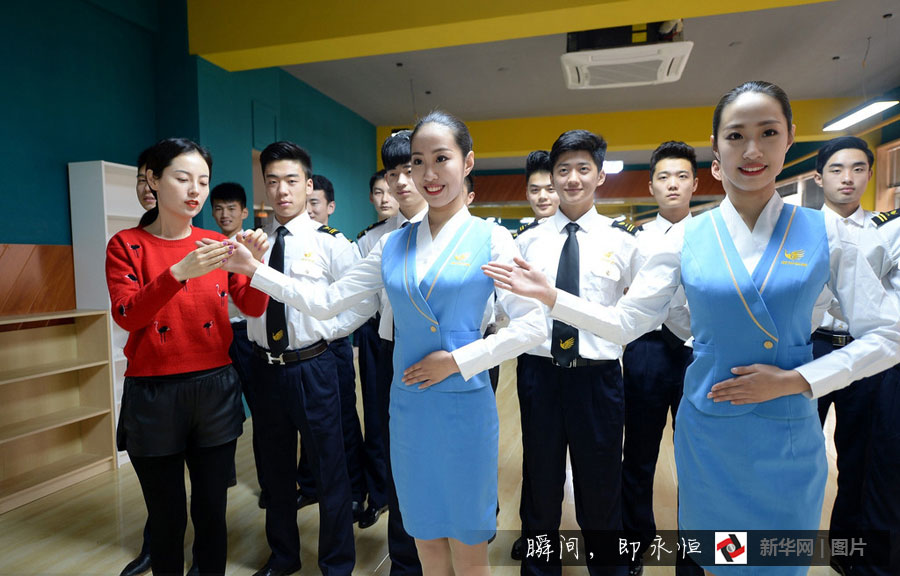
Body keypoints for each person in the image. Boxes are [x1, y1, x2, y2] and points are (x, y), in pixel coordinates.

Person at [484, 81, 900, 575]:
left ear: (790, 138)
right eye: (735, 135)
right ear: (717, 150)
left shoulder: (824, 232)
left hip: (789, 426)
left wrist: (800, 380)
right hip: (710, 422)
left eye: (768, 132)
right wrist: (551, 297)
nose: (752, 149)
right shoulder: (685, 237)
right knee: (716, 558)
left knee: (776, 560)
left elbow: (888, 335)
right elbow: (624, 324)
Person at [222, 111, 546, 575]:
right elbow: (329, 300)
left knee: (469, 540)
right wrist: (257, 272)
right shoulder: (391, 245)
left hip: (464, 402)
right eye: (418, 162)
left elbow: (532, 327)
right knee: (424, 532)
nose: (429, 174)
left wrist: (459, 360)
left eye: (441, 159)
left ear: (468, 162)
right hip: (408, 403)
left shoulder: (493, 238)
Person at [210, 141, 375, 576]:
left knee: (330, 470)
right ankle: (283, 556)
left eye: (291, 181)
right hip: (266, 368)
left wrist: (329, 330)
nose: (281, 190)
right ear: (264, 188)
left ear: (307, 184)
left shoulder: (330, 244)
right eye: (272, 182)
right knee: (276, 474)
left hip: (314, 367)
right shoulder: (253, 244)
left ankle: (336, 564)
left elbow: (364, 302)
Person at [106, 137, 269, 576]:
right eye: (182, 178)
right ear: (154, 181)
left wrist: (254, 268)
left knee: (212, 512)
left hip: (215, 388)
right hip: (154, 393)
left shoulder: (217, 242)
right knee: (166, 517)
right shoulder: (126, 244)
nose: (195, 190)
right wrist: (178, 273)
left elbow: (252, 307)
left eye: (203, 181)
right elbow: (127, 314)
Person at [508, 129, 640, 576]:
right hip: (540, 373)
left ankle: (609, 568)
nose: (572, 178)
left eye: (583, 168)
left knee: (601, 483)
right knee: (541, 480)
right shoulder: (526, 242)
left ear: (600, 175)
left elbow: (637, 311)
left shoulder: (623, 241)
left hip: (598, 377)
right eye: (563, 169)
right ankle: (540, 568)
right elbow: (518, 312)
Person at [621, 141, 701, 576]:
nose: (673, 184)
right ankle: (635, 540)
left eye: (682, 176)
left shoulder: (712, 235)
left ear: (696, 183)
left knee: (696, 455)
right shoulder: (632, 239)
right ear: (651, 185)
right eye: (664, 177)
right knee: (638, 453)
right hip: (646, 352)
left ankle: (693, 554)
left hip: (695, 353)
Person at [810, 137, 889, 574]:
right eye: (837, 169)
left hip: (864, 352)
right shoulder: (799, 229)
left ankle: (845, 550)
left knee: (857, 454)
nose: (847, 178)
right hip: (813, 349)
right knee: (801, 450)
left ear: (869, 175)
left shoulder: (885, 231)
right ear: (819, 176)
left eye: (858, 169)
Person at [509, 148, 559, 563]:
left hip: (590, 363)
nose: (543, 196)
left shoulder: (611, 236)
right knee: (537, 454)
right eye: (535, 190)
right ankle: (534, 538)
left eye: (549, 188)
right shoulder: (520, 242)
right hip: (537, 362)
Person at [120, 145, 156, 576]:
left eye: (154, 177)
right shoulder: (126, 244)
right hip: (146, 372)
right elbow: (128, 310)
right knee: (155, 472)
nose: (146, 187)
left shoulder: (198, 242)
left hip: (199, 376)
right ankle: (157, 543)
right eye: (141, 179)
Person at [210, 182, 254, 490]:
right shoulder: (207, 245)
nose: (225, 215)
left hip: (246, 334)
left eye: (231, 209)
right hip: (215, 335)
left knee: (260, 406)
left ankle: (271, 481)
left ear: (244, 212)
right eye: (219, 208)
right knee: (220, 410)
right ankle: (222, 476)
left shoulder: (252, 245)